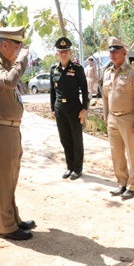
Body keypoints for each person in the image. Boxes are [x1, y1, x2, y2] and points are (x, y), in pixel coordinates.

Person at [0, 26, 35, 241]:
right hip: (0, 131)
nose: (20, 48)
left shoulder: (4, 64)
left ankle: (13, 219)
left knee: (10, 179)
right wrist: (22, 59)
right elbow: (10, 81)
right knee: (3, 181)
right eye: (17, 45)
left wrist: (18, 60)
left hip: (9, 130)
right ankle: (6, 227)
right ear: (4, 45)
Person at [103, 36, 134, 199]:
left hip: (129, 118)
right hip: (112, 118)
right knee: (117, 153)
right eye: (110, 51)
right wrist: (106, 116)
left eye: (116, 51)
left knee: (132, 152)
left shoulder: (132, 72)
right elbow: (105, 97)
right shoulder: (107, 73)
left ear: (124, 52)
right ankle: (122, 182)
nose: (112, 54)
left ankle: (133, 185)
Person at [50, 37, 89, 180]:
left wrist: (85, 108)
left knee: (76, 139)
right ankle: (69, 166)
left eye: (66, 51)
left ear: (70, 52)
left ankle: (77, 169)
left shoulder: (77, 69)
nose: (63, 54)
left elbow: (85, 90)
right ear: (57, 53)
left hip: (74, 109)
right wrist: (53, 108)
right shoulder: (53, 70)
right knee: (65, 139)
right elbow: (52, 91)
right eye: (61, 51)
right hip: (60, 109)